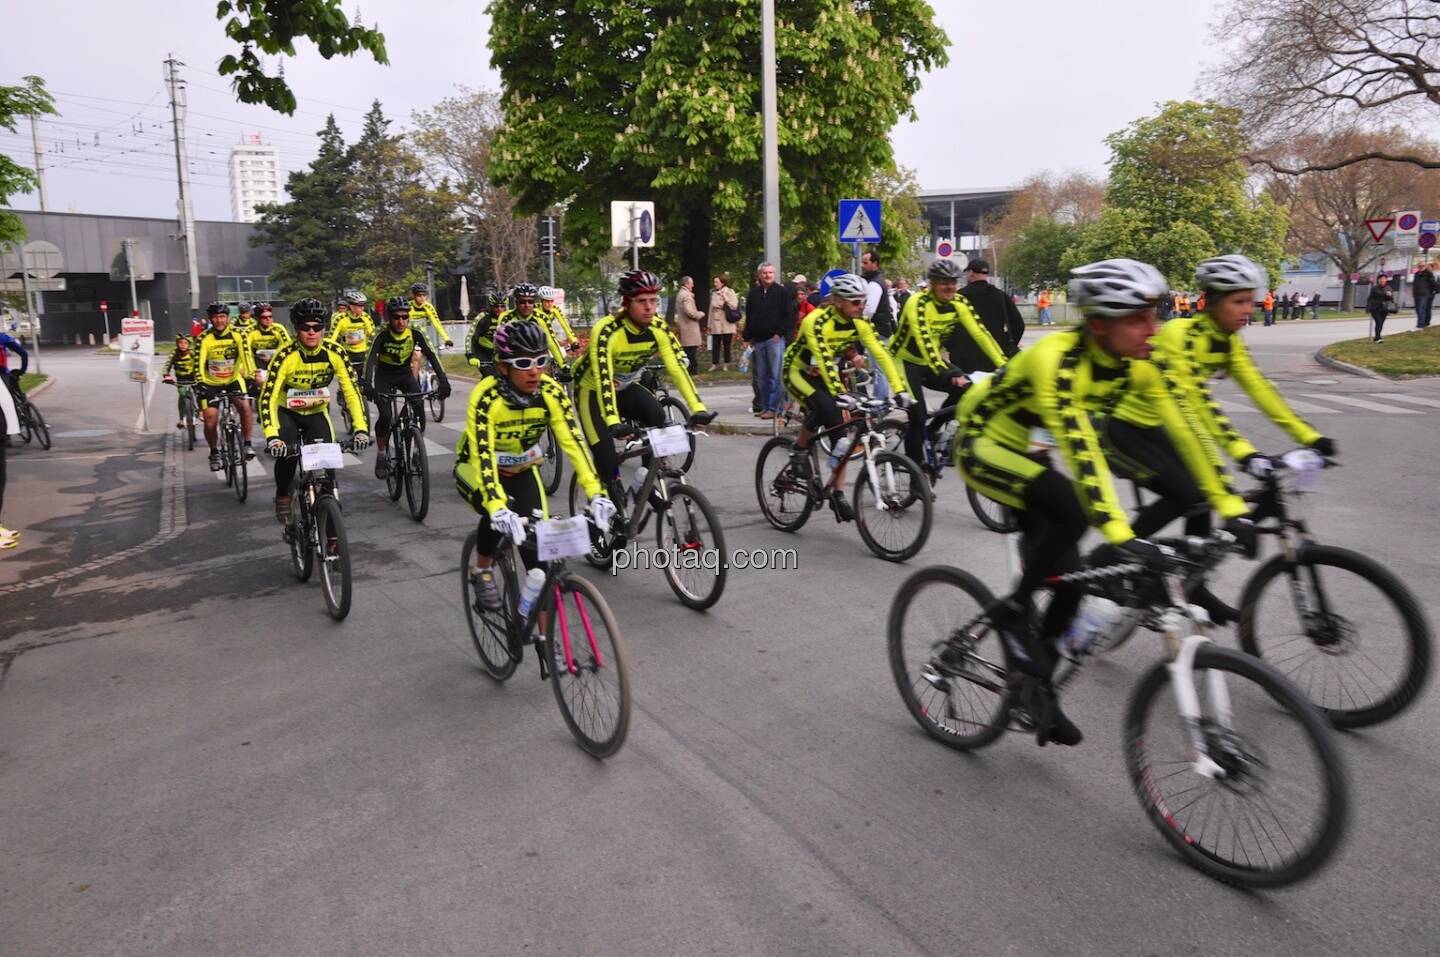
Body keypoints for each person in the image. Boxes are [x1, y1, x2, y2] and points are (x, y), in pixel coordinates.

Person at [954, 259, 1250, 747]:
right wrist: (1125, 538)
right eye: (1138, 319)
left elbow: (1188, 427)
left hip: (1026, 450)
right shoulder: (1059, 362)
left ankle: (1035, 690)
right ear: (1099, 325)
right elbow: (1083, 455)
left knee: (1071, 582)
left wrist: (1230, 504)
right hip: (984, 443)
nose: (1153, 328)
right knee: (1074, 508)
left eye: (1154, 314)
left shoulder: (1135, 361)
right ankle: (1013, 610)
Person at [1106, 254, 1332, 620]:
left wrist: (1310, 436)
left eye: (1251, 300)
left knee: (1203, 495)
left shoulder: (1228, 342)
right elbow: (1195, 409)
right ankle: (1115, 555)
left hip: (1161, 425)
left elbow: (1260, 388)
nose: (1249, 309)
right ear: (1212, 302)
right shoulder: (1180, 336)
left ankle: (1193, 585)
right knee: (1192, 493)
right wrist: (1243, 455)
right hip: (1122, 427)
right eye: (1239, 301)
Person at [455, 320, 615, 610]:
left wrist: (597, 493)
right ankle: (481, 569)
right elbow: (482, 454)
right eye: (523, 363)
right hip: (478, 469)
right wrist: (496, 505)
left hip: (523, 470)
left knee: (539, 566)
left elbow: (574, 444)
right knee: (494, 515)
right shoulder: (486, 397)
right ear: (503, 366)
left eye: (541, 361)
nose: (534, 370)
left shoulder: (550, 393)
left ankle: (544, 643)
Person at [781, 273, 912, 522]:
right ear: (839, 301)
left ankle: (837, 494)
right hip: (798, 372)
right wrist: (841, 394)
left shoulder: (860, 323)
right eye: (856, 302)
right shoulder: (816, 321)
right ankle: (798, 451)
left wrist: (900, 389)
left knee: (840, 434)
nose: (861, 306)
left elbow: (882, 354)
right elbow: (823, 359)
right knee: (825, 405)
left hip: (825, 374)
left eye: (863, 301)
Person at [573, 270, 713, 485]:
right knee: (607, 460)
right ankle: (613, 510)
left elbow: (676, 368)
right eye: (641, 301)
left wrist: (698, 408)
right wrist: (612, 421)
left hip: (626, 386)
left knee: (657, 415)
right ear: (627, 303)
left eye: (653, 300)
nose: (649, 307)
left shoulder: (658, 328)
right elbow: (604, 379)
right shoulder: (606, 331)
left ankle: (645, 482)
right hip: (592, 390)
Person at [260, 298, 371, 524]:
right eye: (305, 328)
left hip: (317, 413)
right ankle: (283, 495)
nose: (312, 332)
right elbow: (268, 397)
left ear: (324, 329)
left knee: (327, 473)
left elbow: (351, 392)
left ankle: (330, 535)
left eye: (317, 327)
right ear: (296, 329)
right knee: (288, 458)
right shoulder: (284, 356)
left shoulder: (336, 353)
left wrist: (360, 429)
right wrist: (272, 436)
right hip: (287, 412)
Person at [890, 257, 1006, 469]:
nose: (950, 286)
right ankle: (915, 471)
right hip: (905, 361)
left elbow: (981, 334)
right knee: (918, 415)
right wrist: (950, 374)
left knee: (967, 390)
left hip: (931, 360)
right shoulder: (918, 303)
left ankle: (933, 429)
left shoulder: (959, 302)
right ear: (932, 283)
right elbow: (925, 344)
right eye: (944, 282)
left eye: (953, 281)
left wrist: (1004, 364)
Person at [362, 296, 452, 480]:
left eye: (405, 317)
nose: (401, 321)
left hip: (404, 373)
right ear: (389, 317)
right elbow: (369, 359)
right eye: (396, 317)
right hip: (384, 376)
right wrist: (367, 383)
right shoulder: (381, 333)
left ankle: (416, 448)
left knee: (418, 405)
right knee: (386, 415)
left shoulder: (415, 332)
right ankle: (381, 454)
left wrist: (443, 380)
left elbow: (432, 356)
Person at [196, 301, 258, 471]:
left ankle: (247, 444)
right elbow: (199, 362)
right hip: (210, 383)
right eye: (215, 317)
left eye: (222, 317)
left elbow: (246, 356)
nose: (219, 321)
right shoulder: (204, 338)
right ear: (210, 319)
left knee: (245, 406)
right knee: (210, 421)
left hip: (233, 379)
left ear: (228, 318)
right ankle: (214, 451)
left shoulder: (239, 334)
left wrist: (251, 378)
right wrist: (200, 382)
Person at [743, 262, 796, 419]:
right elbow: (750, 316)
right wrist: (746, 337)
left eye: (771, 273)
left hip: (774, 339)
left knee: (775, 375)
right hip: (758, 340)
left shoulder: (782, 292)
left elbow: (789, 316)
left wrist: (780, 333)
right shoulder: (753, 294)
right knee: (762, 377)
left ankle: (776, 408)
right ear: (759, 275)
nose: (768, 275)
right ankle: (766, 406)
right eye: (765, 273)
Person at [954, 258, 1024, 370]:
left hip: (965, 357)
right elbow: (1018, 325)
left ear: (971, 273)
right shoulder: (1000, 296)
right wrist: (1003, 344)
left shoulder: (959, 296)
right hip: (995, 356)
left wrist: (954, 348)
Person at [247, 304, 292, 408]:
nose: (268, 319)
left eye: (270, 316)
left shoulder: (279, 329)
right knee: (259, 387)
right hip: (258, 362)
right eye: (264, 317)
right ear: (257, 318)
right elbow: (246, 353)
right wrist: (252, 372)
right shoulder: (250, 331)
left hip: (275, 361)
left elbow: (288, 348)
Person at [327, 290, 375, 382]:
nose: (362, 308)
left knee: (365, 382)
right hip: (347, 354)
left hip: (363, 354)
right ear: (351, 306)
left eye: (363, 305)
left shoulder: (366, 317)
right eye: (360, 306)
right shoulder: (340, 319)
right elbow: (331, 338)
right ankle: (341, 394)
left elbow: (373, 335)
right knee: (347, 381)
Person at [161, 334, 199, 429]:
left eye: (185, 343)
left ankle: (200, 413)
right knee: (182, 395)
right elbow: (167, 365)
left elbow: (200, 363)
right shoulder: (174, 353)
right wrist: (166, 375)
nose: (183, 345)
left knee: (199, 393)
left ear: (189, 345)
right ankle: (182, 419)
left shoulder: (192, 353)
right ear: (177, 344)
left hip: (193, 377)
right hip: (181, 379)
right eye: (180, 343)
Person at [706, 274, 740, 369]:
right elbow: (710, 310)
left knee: (727, 344)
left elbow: (734, 305)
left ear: (722, 282)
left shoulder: (730, 291)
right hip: (716, 322)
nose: (715, 284)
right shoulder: (713, 293)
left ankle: (726, 364)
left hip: (727, 322)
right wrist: (709, 324)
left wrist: (726, 298)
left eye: (716, 282)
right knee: (715, 344)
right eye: (714, 282)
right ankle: (714, 364)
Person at [408, 281, 454, 350]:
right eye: (419, 295)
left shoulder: (428, 307)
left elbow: (437, 324)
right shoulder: (408, 306)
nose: (422, 298)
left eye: (424, 295)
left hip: (421, 337)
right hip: (408, 338)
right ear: (414, 295)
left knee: (432, 357)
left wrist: (446, 339)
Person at [673, 276, 705, 372]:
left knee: (687, 351)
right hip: (689, 328)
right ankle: (692, 370)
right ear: (686, 284)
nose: (693, 285)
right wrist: (699, 314)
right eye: (691, 283)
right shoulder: (687, 295)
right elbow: (690, 312)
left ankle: (689, 369)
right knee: (691, 351)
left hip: (684, 327)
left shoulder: (680, 294)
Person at [537, 285, 577, 350]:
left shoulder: (555, 309)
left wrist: (573, 340)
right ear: (541, 301)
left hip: (551, 340)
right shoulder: (535, 310)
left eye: (551, 301)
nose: (549, 304)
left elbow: (565, 325)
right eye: (546, 301)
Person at [1368, 274, 1395, 342]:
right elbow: (1370, 298)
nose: (1382, 280)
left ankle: (1377, 337)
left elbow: (1391, 299)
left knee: (1381, 323)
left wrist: (1390, 295)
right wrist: (1368, 308)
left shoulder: (1389, 288)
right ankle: (1378, 337)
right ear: (1378, 280)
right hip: (1375, 308)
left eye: (1384, 278)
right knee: (1378, 322)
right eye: (1381, 279)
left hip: (1384, 309)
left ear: (1386, 280)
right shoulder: (1374, 288)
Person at [1413, 263, 1436, 329]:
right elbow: (1415, 284)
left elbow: (1433, 284)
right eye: (1420, 266)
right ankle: (1424, 322)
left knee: (1421, 309)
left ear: (1425, 266)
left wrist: (1431, 292)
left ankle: (1421, 324)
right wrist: (1414, 293)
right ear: (1418, 266)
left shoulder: (1428, 274)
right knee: (1418, 309)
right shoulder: (1416, 274)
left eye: (1423, 266)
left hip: (1425, 294)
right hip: (1417, 294)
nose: (1421, 267)